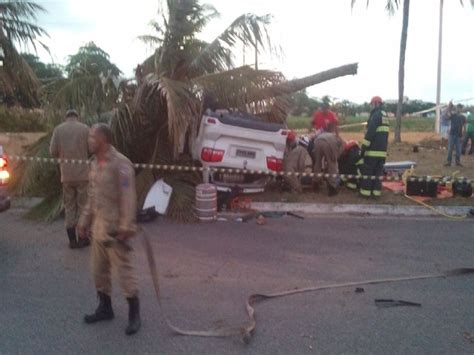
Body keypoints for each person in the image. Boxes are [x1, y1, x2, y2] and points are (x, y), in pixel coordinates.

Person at [78, 124, 141, 336]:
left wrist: (126, 227)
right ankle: (105, 308)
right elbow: (92, 196)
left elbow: (128, 196)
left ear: (103, 139)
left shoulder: (121, 163)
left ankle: (134, 315)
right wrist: (84, 222)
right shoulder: (94, 164)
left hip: (116, 229)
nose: (88, 141)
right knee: (98, 271)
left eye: (91, 137)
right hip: (99, 227)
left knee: (124, 272)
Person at [49, 109, 90, 249]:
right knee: (83, 207)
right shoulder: (85, 129)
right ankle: (83, 238)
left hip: (66, 175)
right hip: (83, 175)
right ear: (77, 117)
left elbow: (52, 151)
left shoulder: (58, 129)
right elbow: (91, 149)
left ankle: (72, 241)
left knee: (70, 207)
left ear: (66, 117)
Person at [359, 96, 389, 198]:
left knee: (368, 173)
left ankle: (365, 194)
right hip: (382, 152)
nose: (371, 107)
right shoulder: (385, 115)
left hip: (372, 152)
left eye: (371, 104)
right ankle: (376, 194)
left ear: (376, 104)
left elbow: (370, 134)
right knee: (378, 174)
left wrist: (363, 148)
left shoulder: (375, 115)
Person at [312, 122, 345, 196]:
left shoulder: (322, 133)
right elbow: (343, 146)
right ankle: (332, 189)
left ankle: (315, 184)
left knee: (317, 163)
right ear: (334, 129)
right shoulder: (335, 136)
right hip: (329, 143)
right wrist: (335, 157)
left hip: (317, 141)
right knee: (332, 165)